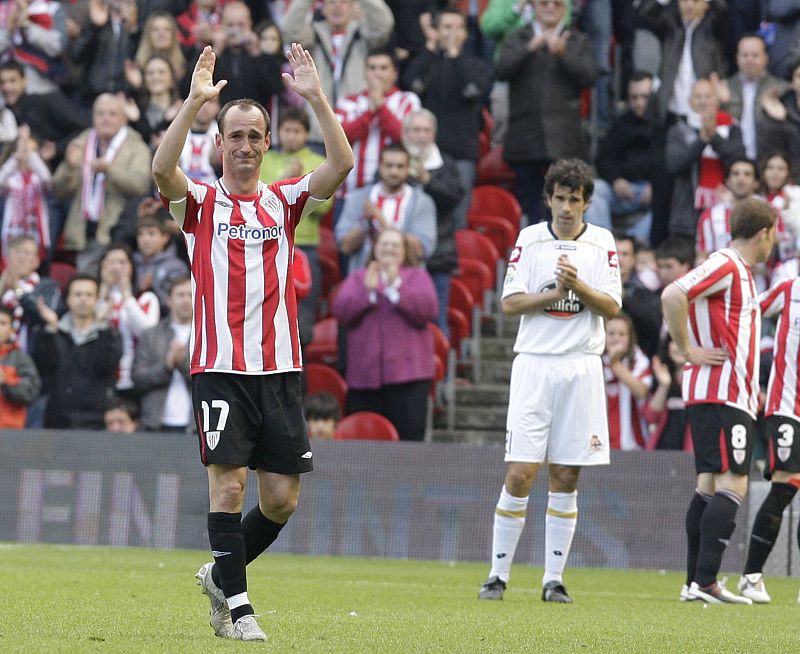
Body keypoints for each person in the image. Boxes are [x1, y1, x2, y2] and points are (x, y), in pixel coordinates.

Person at [151, 43, 353, 640]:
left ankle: (221, 573)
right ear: (220, 144)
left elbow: (340, 166)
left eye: (253, 136)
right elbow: (163, 171)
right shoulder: (201, 204)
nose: (243, 146)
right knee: (228, 482)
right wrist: (193, 104)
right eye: (233, 136)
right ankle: (239, 609)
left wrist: (316, 98)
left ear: (267, 144)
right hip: (219, 367)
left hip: (281, 369)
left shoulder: (285, 200)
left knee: (281, 499)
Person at [478, 158, 622, 603]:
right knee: (521, 471)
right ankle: (497, 575)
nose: (565, 207)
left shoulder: (602, 244)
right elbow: (510, 303)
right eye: (559, 198)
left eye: (574, 200)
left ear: (586, 203)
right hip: (536, 364)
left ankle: (552, 579)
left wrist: (578, 287)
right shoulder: (529, 239)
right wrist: (553, 295)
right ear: (548, 199)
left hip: (580, 365)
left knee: (565, 473)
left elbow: (612, 306)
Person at [661, 196, 775, 604]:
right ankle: (707, 580)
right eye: (773, 235)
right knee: (735, 482)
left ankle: (693, 583)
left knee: (708, 484)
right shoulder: (726, 263)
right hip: (721, 394)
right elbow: (674, 294)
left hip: (727, 392)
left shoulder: (739, 271)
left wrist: (751, 386)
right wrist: (687, 350)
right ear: (764, 232)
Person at [492, 0, 598, 225]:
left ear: (565, 9)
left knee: (563, 202)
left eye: (557, 4)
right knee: (528, 202)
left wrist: (563, 54)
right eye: (544, 3)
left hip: (564, 140)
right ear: (534, 7)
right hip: (525, 137)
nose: (550, 7)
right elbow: (500, 70)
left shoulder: (577, 39)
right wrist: (529, 48)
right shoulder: (519, 37)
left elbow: (590, 76)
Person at [332, 227, 438, 441]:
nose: (389, 248)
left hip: (408, 377)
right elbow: (341, 312)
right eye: (384, 244)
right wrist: (367, 292)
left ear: (404, 251)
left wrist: (395, 286)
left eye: (395, 245)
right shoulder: (358, 277)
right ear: (374, 249)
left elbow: (427, 311)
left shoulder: (417, 276)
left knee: (409, 441)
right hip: (365, 377)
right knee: (363, 444)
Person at [737, 274, 800, 603]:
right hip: (788, 405)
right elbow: (746, 312)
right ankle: (750, 576)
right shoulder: (790, 290)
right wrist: (747, 373)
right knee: (785, 485)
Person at [403, 7, 492, 229]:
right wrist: (430, 48)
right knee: (416, 214)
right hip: (426, 153)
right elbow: (411, 84)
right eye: (446, 27)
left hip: (461, 152)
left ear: (465, 33)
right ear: (435, 31)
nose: (451, 33)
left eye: (457, 28)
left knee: (457, 216)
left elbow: (471, 90)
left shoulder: (475, 65)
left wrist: (455, 55)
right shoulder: (427, 61)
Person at [52, 93, 152, 273]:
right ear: (93, 117)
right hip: (84, 233)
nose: (105, 118)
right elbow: (59, 190)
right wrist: (69, 167)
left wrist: (110, 170)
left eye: (112, 114)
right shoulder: (81, 143)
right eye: (100, 114)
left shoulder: (137, 147)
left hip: (117, 231)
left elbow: (141, 186)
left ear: (123, 118)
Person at [282, 0, 395, 148]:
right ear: (322, 9)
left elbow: (384, 24)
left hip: (357, 127)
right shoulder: (312, 35)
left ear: (353, 6)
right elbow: (290, 29)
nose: (337, 6)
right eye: (331, 2)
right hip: (318, 131)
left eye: (343, 2)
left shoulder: (363, 34)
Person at [33, 274, 123, 429]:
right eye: (78, 294)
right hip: (58, 419)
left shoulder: (108, 333)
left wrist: (102, 327)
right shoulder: (54, 331)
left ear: (97, 299)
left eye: (89, 294)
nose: (83, 299)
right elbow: (44, 367)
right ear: (67, 299)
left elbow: (107, 366)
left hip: (97, 419)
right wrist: (51, 329)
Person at [402, 107, 462, 337]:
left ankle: (441, 373)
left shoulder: (445, 163)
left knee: (437, 322)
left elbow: (455, 198)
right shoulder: (394, 161)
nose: (421, 135)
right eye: (416, 130)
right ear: (406, 133)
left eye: (426, 130)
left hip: (438, 255)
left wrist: (427, 181)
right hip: (397, 258)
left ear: (433, 134)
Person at [335, 143, 437, 273]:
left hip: (406, 282)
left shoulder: (422, 202)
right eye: (389, 165)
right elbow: (345, 246)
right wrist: (364, 222)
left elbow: (422, 250)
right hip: (364, 278)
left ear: (408, 169)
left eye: (400, 166)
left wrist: (383, 222)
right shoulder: (358, 198)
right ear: (380, 166)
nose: (394, 171)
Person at [335, 47, 420, 197]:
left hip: (393, 192)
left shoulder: (407, 101)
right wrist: (369, 112)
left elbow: (406, 138)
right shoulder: (347, 102)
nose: (377, 73)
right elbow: (339, 137)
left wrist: (380, 107)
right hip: (350, 189)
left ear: (395, 73)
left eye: (384, 68)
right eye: (372, 68)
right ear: (365, 72)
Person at [588, 71, 658, 242]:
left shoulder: (663, 123)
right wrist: (616, 180)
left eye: (644, 97)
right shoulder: (620, 124)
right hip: (622, 191)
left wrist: (657, 184)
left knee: (670, 195)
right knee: (594, 189)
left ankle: (636, 245)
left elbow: (669, 162)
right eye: (634, 98)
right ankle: (602, 246)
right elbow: (603, 158)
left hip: (653, 192)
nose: (639, 102)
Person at [95, 243, 160, 394]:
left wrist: (127, 296)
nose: (116, 267)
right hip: (100, 378)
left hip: (134, 378)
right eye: (111, 262)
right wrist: (103, 291)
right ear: (102, 266)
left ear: (132, 266)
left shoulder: (146, 299)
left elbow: (146, 333)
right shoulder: (92, 297)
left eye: (122, 262)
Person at [131, 274, 192, 432]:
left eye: (191, 295)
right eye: (180, 295)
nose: (186, 300)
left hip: (196, 424)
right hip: (156, 422)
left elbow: (213, 380)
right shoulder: (150, 335)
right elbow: (138, 378)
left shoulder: (208, 335)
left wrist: (183, 363)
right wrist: (166, 366)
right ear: (169, 300)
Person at [603, 313, 652, 451]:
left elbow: (642, 391)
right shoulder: (594, 359)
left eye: (621, 334)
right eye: (611, 333)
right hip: (599, 444)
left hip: (633, 445)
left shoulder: (638, 359)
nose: (616, 338)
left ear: (630, 338)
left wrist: (616, 364)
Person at [695, 158, 759, 261]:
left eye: (747, 174)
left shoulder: (770, 212)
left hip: (761, 276)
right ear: (727, 181)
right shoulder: (709, 216)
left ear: (756, 182)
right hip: (723, 275)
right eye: (735, 174)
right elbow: (702, 256)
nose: (741, 179)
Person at [0, 305, 40, 429]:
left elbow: (31, 393)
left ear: (12, 330)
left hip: (9, 433)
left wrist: (5, 383)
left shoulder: (20, 359)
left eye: (2, 323)